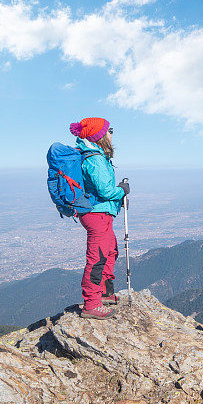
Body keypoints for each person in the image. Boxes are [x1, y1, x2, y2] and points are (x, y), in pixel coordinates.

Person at [69, 117, 130, 319]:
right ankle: (92, 303)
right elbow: (105, 191)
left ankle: (104, 292)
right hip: (97, 214)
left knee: (110, 250)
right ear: (100, 135)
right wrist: (121, 191)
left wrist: (118, 194)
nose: (112, 133)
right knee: (98, 258)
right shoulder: (94, 159)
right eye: (109, 130)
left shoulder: (96, 156)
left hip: (100, 213)